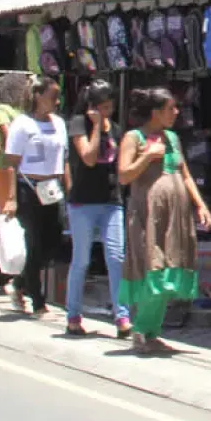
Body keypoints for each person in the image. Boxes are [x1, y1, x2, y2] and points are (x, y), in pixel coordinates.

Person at [118, 88, 211, 354]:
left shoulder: (172, 138)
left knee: (169, 273)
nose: (176, 113)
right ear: (156, 112)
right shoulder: (133, 137)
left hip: (174, 219)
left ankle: (151, 332)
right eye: (171, 108)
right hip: (148, 217)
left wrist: (200, 204)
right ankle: (140, 329)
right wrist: (147, 156)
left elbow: (185, 175)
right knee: (154, 272)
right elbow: (124, 176)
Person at [0, 76, 69, 319]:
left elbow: (64, 158)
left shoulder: (59, 123)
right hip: (28, 186)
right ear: (38, 96)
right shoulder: (22, 124)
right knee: (34, 242)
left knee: (53, 241)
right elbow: (11, 162)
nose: (57, 101)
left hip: (52, 188)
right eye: (53, 96)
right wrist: (11, 197)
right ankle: (38, 303)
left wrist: (68, 189)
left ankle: (19, 283)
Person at [66, 80, 130, 339]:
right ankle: (73, 314)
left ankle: (122, 315)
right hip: (83, 201)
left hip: (111, 201)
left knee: (116, 258)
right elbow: (89, 158)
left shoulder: (116, 129)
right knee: (81, 260)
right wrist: (95, 128)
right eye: (102, 107)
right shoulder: (78, 124)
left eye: (110, 106)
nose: (108, 111)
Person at [0, 72, 35, 297]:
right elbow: (7, 134)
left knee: (19, 219)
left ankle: (9, 272)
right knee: (6, 219)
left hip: (23, 167)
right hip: (5, 166)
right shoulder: (3, 109)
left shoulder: (25, 111)